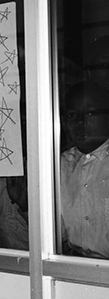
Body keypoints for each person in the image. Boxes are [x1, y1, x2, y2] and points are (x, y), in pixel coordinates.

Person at [61, 80, 109, 258]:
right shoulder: (59, 166)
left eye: (91, 113)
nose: (80, 122)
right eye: (72, 115)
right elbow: (58, 236)